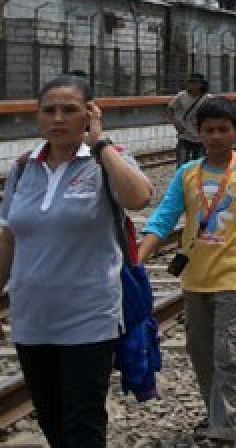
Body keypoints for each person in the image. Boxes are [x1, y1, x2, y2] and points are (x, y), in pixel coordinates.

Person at [0, 75, 154, 448]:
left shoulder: (106, 161)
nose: (58, 118)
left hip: (89, 318)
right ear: (37, 117)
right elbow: (7, 237)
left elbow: (139, 198)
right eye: (49, 110)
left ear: (89, 113)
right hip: (32, 318)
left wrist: (99, 143)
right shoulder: (23, 169)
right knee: (52, 422)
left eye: (69, 110)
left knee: (82, 426)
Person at [138, 97, 236, 446]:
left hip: (235, 277)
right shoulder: (187, 174)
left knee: (229, 351)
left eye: (224, 130)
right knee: (200, 351)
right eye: (209, 130)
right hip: (196, 278)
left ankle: (223, 428)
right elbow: (164, 218)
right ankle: (214, 413)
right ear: (199, 133)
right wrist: (139, 256)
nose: (217, 137)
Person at [168, 72, 211, 167]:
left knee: (199, 164)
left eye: (195, 82)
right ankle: (182, 180)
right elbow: (170, 108)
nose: (191, 85)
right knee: (182, 164)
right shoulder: (181, 96)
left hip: (200, 137)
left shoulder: (207, 99)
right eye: (190, 82)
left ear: (201, 84)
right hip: (184, 135)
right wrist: (175, 123)